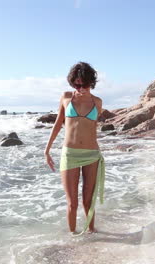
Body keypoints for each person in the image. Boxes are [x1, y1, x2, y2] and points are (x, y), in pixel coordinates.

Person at [44, 62, 105, 235]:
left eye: (84, 84)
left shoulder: (97, 102)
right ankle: (72, 239)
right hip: (69, 154)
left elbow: (91, 129)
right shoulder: (66, 97)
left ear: (91, 82)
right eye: (77, 84)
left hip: (92, 155)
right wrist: (47, 150)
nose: (81, 88)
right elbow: (57, 124)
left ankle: (93, 236)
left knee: (88, 201)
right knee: (72, 203)